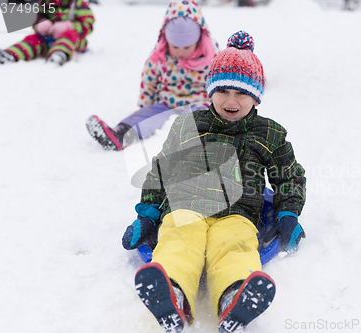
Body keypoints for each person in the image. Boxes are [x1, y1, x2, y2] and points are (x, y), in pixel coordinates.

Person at [122, 31, 306, 333]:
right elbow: (161, 170)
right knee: (179, 241)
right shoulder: (188, 125)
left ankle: (235, 296)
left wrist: (288, 213)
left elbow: (289, 176)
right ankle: (172, 293)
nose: (231, 101)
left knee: (235, 246)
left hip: (237, 213)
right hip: (185, 207)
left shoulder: (269, 134)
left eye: (242, 93)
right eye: (223, 91)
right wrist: (149, 213)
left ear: (256, 96)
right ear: (210, 91)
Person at [85, 0, 219, 152]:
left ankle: (199, 145)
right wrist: (145, 107)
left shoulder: (211, 56)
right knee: (146, 116)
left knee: (198, 120)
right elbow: (149, 82)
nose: (180, 52)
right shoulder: (160, 56)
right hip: (167, 102)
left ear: (199, 39)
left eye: (187, 47)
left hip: (198, 102)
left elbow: (220, 84)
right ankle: (121, 134)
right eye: (175, 47)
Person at [0, 0, 94, 66]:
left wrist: (70, 26)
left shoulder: (79, 4)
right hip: (48, 39)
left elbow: (88, 25)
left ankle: (59, 54)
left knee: (70, 35)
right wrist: (40, 23)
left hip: (74, 42)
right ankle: (11, 54)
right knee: (33, 39)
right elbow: (37, 19)